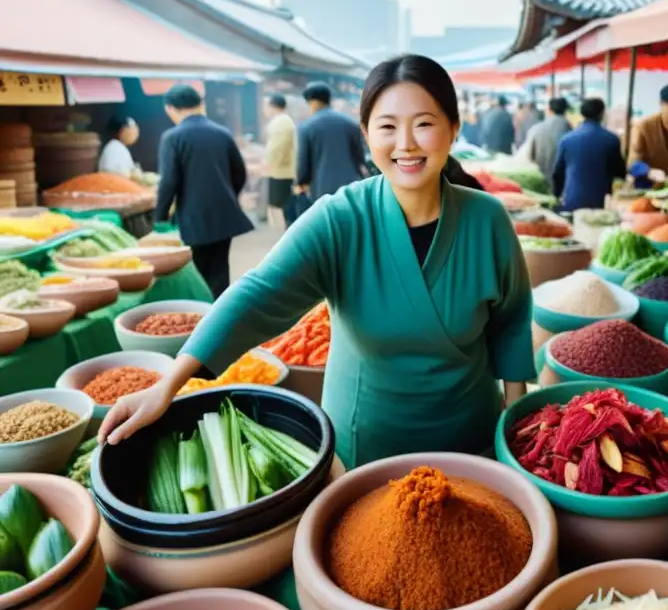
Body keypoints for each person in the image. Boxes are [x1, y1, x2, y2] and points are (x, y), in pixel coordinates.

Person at [99, 54, 535, 470]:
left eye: (424, 124)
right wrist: (168, 385)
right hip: (366, 444)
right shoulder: (340, 219)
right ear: (365, 135)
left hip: (471, 441)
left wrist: (514, 430)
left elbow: (511, 322)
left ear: (454, 129)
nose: (405, 144)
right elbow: (258, 293)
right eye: (387, 126)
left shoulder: (487, 219)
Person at [154, 84, 253, 298]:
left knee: (196, 273)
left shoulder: (173, 137)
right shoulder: (222, 133)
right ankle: (222, 319)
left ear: (169, 109)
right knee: (219, 270)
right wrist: (228, 195)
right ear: (201, 105)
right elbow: (240, 173)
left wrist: (160, 217)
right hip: (224, 214)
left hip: (193, 217)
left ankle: (201, 320)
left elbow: (169, 181)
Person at [296, 82, 368, 201]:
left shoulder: (307, 127)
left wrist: (301, 182)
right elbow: (360, 157)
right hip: (351, 186)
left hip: (321, 188)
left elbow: (303, 160)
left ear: (312, 102)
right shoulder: (350, 124)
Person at [553, 98, 626, 212]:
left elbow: (557, 173)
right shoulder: (611, 139)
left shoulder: (566, 139)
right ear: (602, 114)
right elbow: (620, 172)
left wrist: (557, 196)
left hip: (571, 201)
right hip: (599, 202)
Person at [263, 94, 297, 231]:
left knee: (285, 206)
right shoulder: (283, 121)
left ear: (272, 106)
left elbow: (277, 149)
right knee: (286, 206)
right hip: (284, 170)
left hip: (282, 172)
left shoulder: (281, 122)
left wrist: (268, 164)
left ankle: (291, 233)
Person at [526, 96, 571, 183]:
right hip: (564, 183)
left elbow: (529, 157)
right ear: (566, 112)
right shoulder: (570, 131)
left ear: (549, 110)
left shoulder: (536, 129)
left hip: (541, 182)